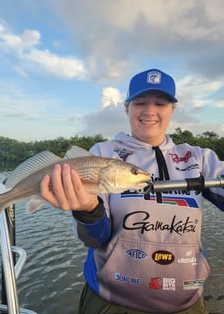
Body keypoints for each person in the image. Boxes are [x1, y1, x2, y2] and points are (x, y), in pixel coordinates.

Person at [40, 68, 224, 314]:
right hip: (111, 301)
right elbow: (95, 238)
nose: (149, 111)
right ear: (127, 108)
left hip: (188, 302)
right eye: (139, 102)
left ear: (172, 110)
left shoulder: (200, 158)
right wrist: (87, 210)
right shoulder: (102, 154)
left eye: (160, 103)